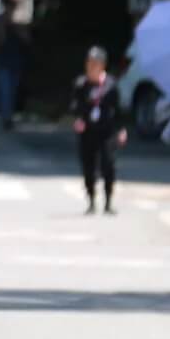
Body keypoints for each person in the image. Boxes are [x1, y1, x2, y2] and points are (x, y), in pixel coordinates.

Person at [71, 47, 127, 215]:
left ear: (102, 65)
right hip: (88, 131)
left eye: (95, 63)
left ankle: (108, 202)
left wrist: (121, 130)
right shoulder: (81, 84)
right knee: (88, 167)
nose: (91, 66)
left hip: (107, 131)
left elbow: (118, 110)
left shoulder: (111, 85)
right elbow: (74, 106)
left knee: (108, 165)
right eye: (89, 63)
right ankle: (91, 201)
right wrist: (78, 119)